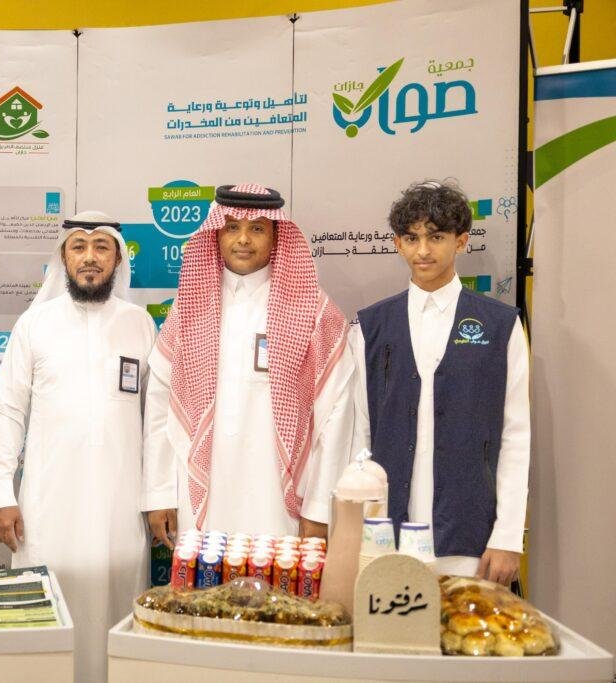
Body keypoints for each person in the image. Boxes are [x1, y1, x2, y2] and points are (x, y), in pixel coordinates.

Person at [0, 211, 155, 683]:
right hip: (47, 507)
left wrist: (160, 496)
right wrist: (1, 494)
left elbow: (158, 420)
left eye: (101, 247)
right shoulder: (35, 324)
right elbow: (7, 411)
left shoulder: (140, 324)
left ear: (117, 258)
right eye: (78, 247)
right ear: (63, 257)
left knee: (117, 616)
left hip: (120, 507)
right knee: (48, 618)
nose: (89, 257)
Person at [142, 184, 353, 544]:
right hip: (202, 494)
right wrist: (159, 494)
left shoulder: (314, 312)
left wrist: (320, 508)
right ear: (216, 234)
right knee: (204, 579)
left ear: (276, 237)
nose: (243, 239)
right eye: (232, 227)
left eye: (257, 228)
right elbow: (161, 404)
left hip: (279, 502)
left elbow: (337, 414)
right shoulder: (188, 308)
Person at [351, 180, 530, 585]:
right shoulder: (371, 326)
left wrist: (507, 537)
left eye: (436, 237)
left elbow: (516, 436)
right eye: (411, 238)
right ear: (397, 244)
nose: (423, 251)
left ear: (461, 241)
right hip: (386, 538)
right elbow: (360, 433)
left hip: (470, 537)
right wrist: (358, 530)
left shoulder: (500, 326)